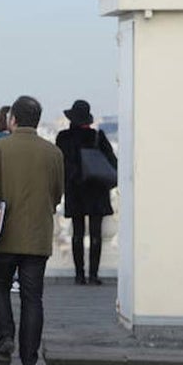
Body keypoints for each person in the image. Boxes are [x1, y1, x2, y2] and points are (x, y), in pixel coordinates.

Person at [0, 96, 63, 365]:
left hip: (4, 234)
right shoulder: (53, 152)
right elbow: (57, 194)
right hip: (38, 235)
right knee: (32, 297)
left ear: (13, 120)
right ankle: (29, 360)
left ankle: (6, 336)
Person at [55, 99, 118, 285]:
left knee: (77, 233)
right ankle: (94, 275)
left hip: (75, 189)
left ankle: (79, 275)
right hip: (97, 189)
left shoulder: (63, 138)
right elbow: (112, 164)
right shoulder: (97, 137)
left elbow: (59, 164)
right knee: (96, 234)